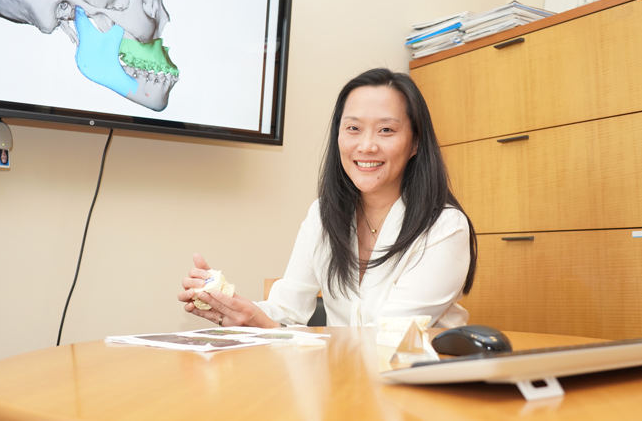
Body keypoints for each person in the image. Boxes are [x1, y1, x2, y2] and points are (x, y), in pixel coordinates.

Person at [178, 68, 477, 328]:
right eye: (353, 129)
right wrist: (234, 309)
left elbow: (387, 336)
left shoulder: (445, 227)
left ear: (415, 143)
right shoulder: (324, 215)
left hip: (418, 387)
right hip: (346, 383)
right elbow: (285, 311)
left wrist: (271, 326)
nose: (367, 145)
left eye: (386, 130)